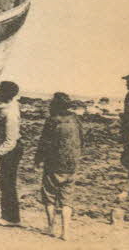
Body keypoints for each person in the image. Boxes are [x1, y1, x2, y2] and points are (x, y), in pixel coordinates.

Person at [34, 92, 84, 241]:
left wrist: (38, 159)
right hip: (72, 163)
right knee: (67, 198)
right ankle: (65, 232)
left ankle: (51, 228)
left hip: (54, 163)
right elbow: (82, 140)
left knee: (49, 195)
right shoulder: (76, 119)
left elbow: (44, 143)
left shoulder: (52, 120)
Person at [0, 81, 23, 227]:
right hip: (10, 148)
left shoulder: (10, 113)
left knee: (7, 183)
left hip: (11, 150)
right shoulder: (9, 102)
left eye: (0, 90)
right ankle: (11, 216)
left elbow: (11, 141)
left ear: (5, 94)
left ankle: (11, 218)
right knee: (6, 182)